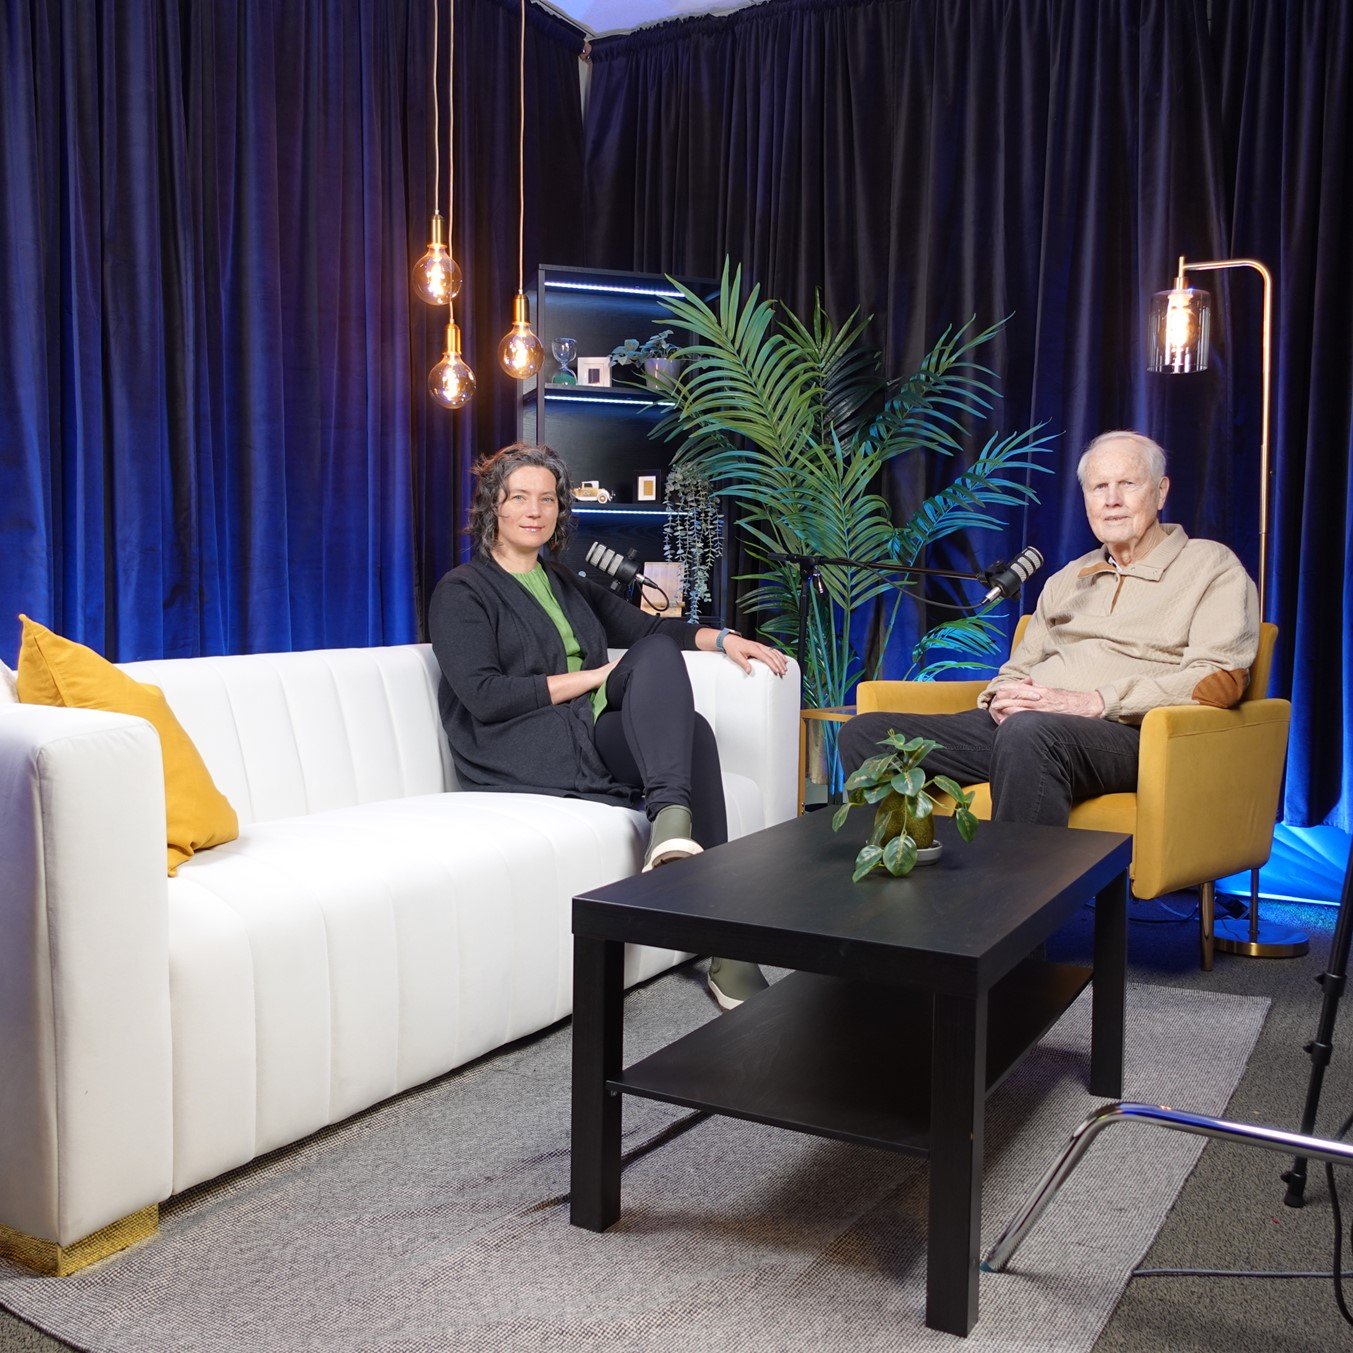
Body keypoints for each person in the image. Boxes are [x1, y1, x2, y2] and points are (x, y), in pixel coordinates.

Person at [429, 441, 788, 1011]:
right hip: (522, 741)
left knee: (692, 727)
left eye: (548, 499)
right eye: (519, 497)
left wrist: (723, 638)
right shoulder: (462, 590)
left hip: (586, 726)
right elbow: (486, 697)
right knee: (680, 717)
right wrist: (596, 676)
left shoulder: (562, 581)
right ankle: (675, 828)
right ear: (492, 506)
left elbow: (650, 631)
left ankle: (726, 940)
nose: (535, 510)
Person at [839, 430, 1260, 824]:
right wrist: (1001, 698)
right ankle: (912, 872)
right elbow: (1018, 668)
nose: (1112, 500)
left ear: (1161, 491)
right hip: (1027, 730)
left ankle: (1016, 882)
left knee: (1029, 732)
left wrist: (1096, 702)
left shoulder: (1210, 566)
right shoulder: (1068, 578)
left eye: (1128, 484)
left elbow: (1219, 681)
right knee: (867, 734)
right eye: (1099, 487)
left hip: (1131, 735)